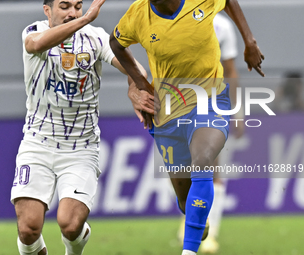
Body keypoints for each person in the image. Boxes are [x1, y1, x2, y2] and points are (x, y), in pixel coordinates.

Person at [110, 0, 264, 255]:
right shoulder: (138, 14)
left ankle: (190, 249)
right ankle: (197, 218)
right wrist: (139, 82)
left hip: (210, 102)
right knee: (184, 197)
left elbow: (231, 63)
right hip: (168, 112)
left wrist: (250, 41)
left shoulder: (209, 11)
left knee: (204, 160)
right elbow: (115, 43)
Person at [10, 1, 150, 255]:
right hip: (36, 143)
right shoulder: (33, 31)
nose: (72, 12)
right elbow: (35, 45)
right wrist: (84, 20)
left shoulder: (95, 38)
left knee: (70, 224)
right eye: (64, 6)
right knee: (29, 229)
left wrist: (134, 84)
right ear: (47, 10)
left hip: (81, 148)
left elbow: (137, 68)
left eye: (77, 6)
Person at [176, 12, 244, 254]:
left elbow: (231, 70)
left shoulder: (222, 25)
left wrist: (237, 112)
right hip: (177, 103)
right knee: (182, 170)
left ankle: (210, 234)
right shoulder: (172, 16)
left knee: (210, 166)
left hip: (211, 105)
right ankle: (193, 220)